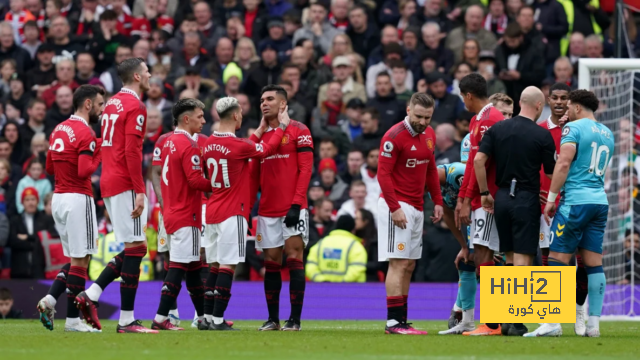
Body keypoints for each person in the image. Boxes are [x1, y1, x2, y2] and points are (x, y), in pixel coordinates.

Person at [76, 57, 155, 333]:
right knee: (136, 248)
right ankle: (126, 320)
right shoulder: (136, 106)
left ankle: (92, 294)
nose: (149, 76)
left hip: (110, 179)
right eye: (146, 72)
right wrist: (140, 190)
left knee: (137, 247)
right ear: (136, 77)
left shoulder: (111, 104)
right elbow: (133, 151)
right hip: (124, 181)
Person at [526, 90, 613, 338]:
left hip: (575, 201)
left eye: (569, 106)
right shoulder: (608, 133)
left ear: (575, 107)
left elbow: (563, 164)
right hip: (599, 202)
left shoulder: (572, 129)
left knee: (557, 259)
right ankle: (593, 324)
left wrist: (551, 199)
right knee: (594, 264)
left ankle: (552, 323)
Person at [200, 97, 287, 330]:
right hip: (232, 211)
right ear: (236, 116)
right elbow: (267, 150)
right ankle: (218, 320)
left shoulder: (208, 143)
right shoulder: (238, 146)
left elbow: (241, 150)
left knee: (215, 265)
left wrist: (258, 130)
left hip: (212, 210)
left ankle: (206, 318)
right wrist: (281, 128)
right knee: (228, 266)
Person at [474, 86, 555, 336]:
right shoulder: (541, 135)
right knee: (523, 260)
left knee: (508, 257)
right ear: (540, 106)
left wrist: (485, 193)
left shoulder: (498, 128)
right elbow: (552, 172)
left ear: (520, 103)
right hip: (526, 197)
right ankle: (516, 320)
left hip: (500, 198)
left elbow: (478, 161)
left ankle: (506, 318)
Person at [37, 85, 105, 333]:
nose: (101, 109)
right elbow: (84, 170)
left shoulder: (58, 129)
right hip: (78, 198)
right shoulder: (85, 133)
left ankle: (50, 300)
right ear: (87, 104)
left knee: (78, 259)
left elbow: (49, 168)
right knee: (80, 262)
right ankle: (73, 321)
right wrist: (99, 151)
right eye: (99, 104)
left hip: (58, 198)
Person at [377, 93, 443, 334]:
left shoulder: (430, 135)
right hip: (397, 204)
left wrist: (436, 200)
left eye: (427, 117)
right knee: (398, 262)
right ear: (407, 110)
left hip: (417, 206)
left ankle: (402, 320)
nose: (423, 122)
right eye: (418, 116)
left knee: (410, 265)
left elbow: (431, 169)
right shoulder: (393, 137)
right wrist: (394, 208)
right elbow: (382, 175)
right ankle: (393, 322)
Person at [254, 85, 313, 331]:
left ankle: (295, 320)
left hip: (292, 208)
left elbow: (305, 170)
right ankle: (273, 319)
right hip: (267, 209)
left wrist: (297, 204)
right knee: (271, 263)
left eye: (270, 99)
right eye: (261, 99)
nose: (264, 103)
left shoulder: (300, 130)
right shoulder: (260, 136)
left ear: (283, 104)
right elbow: (252, 173)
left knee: (295, 259)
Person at [149, 99, 211, 331]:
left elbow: (158, 173)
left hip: (172, 211)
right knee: (177, 267)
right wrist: (221, 185)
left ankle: (203, 316)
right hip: (187, 215)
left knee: (194, 269)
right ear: (186, 119)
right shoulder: (189, 145)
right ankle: (160, 318)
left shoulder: (167, 142)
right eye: (199, 116)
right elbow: (196, 180)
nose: (203, 120)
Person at [536, 82, 590, 334]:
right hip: (547, 205)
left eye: (564, 98)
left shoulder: (580, 130)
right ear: (548, 100)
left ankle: (580, 313)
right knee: (551, 261)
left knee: (581, 262)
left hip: (576, 202)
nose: (558, 102)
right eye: (554, 98)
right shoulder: (538, 131)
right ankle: (552, 319)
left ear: (570, 102)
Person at [453, 73, 505, 336]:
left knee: (485, 254)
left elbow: (480, 165)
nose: (463, 101)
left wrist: (472, 197)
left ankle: (493, 322)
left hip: (489, 199)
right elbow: (471, 166)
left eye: (463, 97)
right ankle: (482, 320)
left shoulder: (488, 121)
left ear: (468, 95)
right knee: (480, 253)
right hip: (478, 199)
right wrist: (463, 198)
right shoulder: (478, 120)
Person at [435, 160, 475, 335]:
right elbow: (448, 215)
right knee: (467, 261)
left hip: (487, 217)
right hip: (473, 226)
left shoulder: (457, 173)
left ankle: (500, 321)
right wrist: (464, 246)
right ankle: (466, 320)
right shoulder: (433, 186)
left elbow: (480, 199)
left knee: (494, 262)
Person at [306, 215, 367, 282]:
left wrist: (322, 281)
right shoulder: (356, 247)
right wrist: (340, 285)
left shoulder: (320, 244)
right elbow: (356, 269)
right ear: (353, 230)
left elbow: (310, 266)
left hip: (322, 290)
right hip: (352, 291)